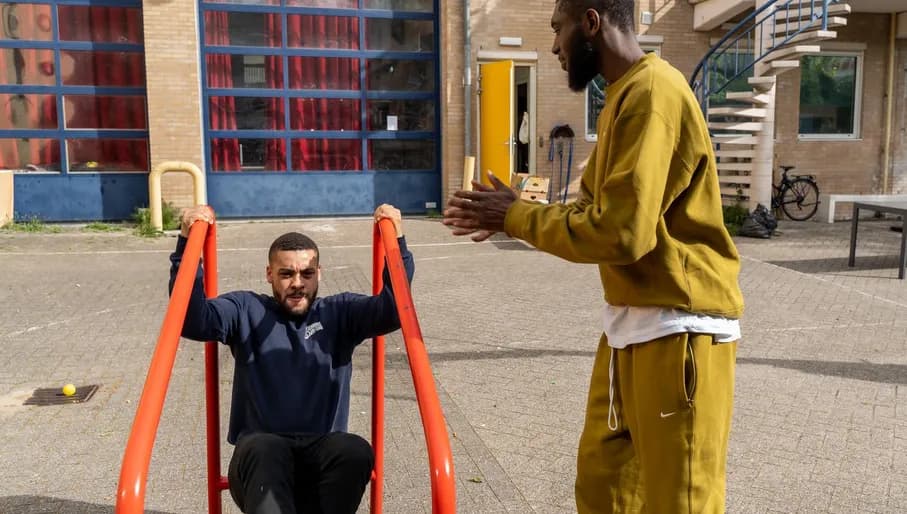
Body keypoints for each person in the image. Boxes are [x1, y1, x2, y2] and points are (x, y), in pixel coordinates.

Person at [442, 1, 744, 513]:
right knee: (604, 487)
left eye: (557, 30)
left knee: (679, 502)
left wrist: (515, 218)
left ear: (590, 23)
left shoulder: (653, 94)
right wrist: (516, 211)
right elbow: (591, 214)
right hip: (631, 326)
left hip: (680, 329)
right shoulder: (623, 96)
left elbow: (623, 234)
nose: (554, 46)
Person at [169, 204, 414, 514]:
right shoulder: (246, 309)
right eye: (286, 274)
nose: (298, 283)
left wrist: (397, 240)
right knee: (266, 447)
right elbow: (191, 319)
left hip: (319, 464)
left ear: (318, 274)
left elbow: (394, 310)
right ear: (269, 274)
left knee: (353, 449)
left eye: (306, 273)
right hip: (259, 465)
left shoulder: (339, 313)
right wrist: (186, 244)